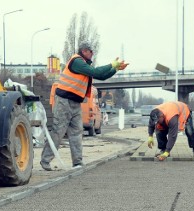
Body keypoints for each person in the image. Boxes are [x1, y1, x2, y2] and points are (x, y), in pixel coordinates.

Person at [40, 42, 128, 171]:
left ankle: (78, 163)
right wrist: (111, 64)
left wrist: (115, 69)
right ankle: (45, 160)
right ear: (85, 51)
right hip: (64, 100)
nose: (93, 54)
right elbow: (96, 72)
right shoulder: (77, 61)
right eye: (91, 51)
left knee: (76, 132)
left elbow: (101, 76)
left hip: (75, 102)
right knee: (58, 131)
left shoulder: (84, 65)